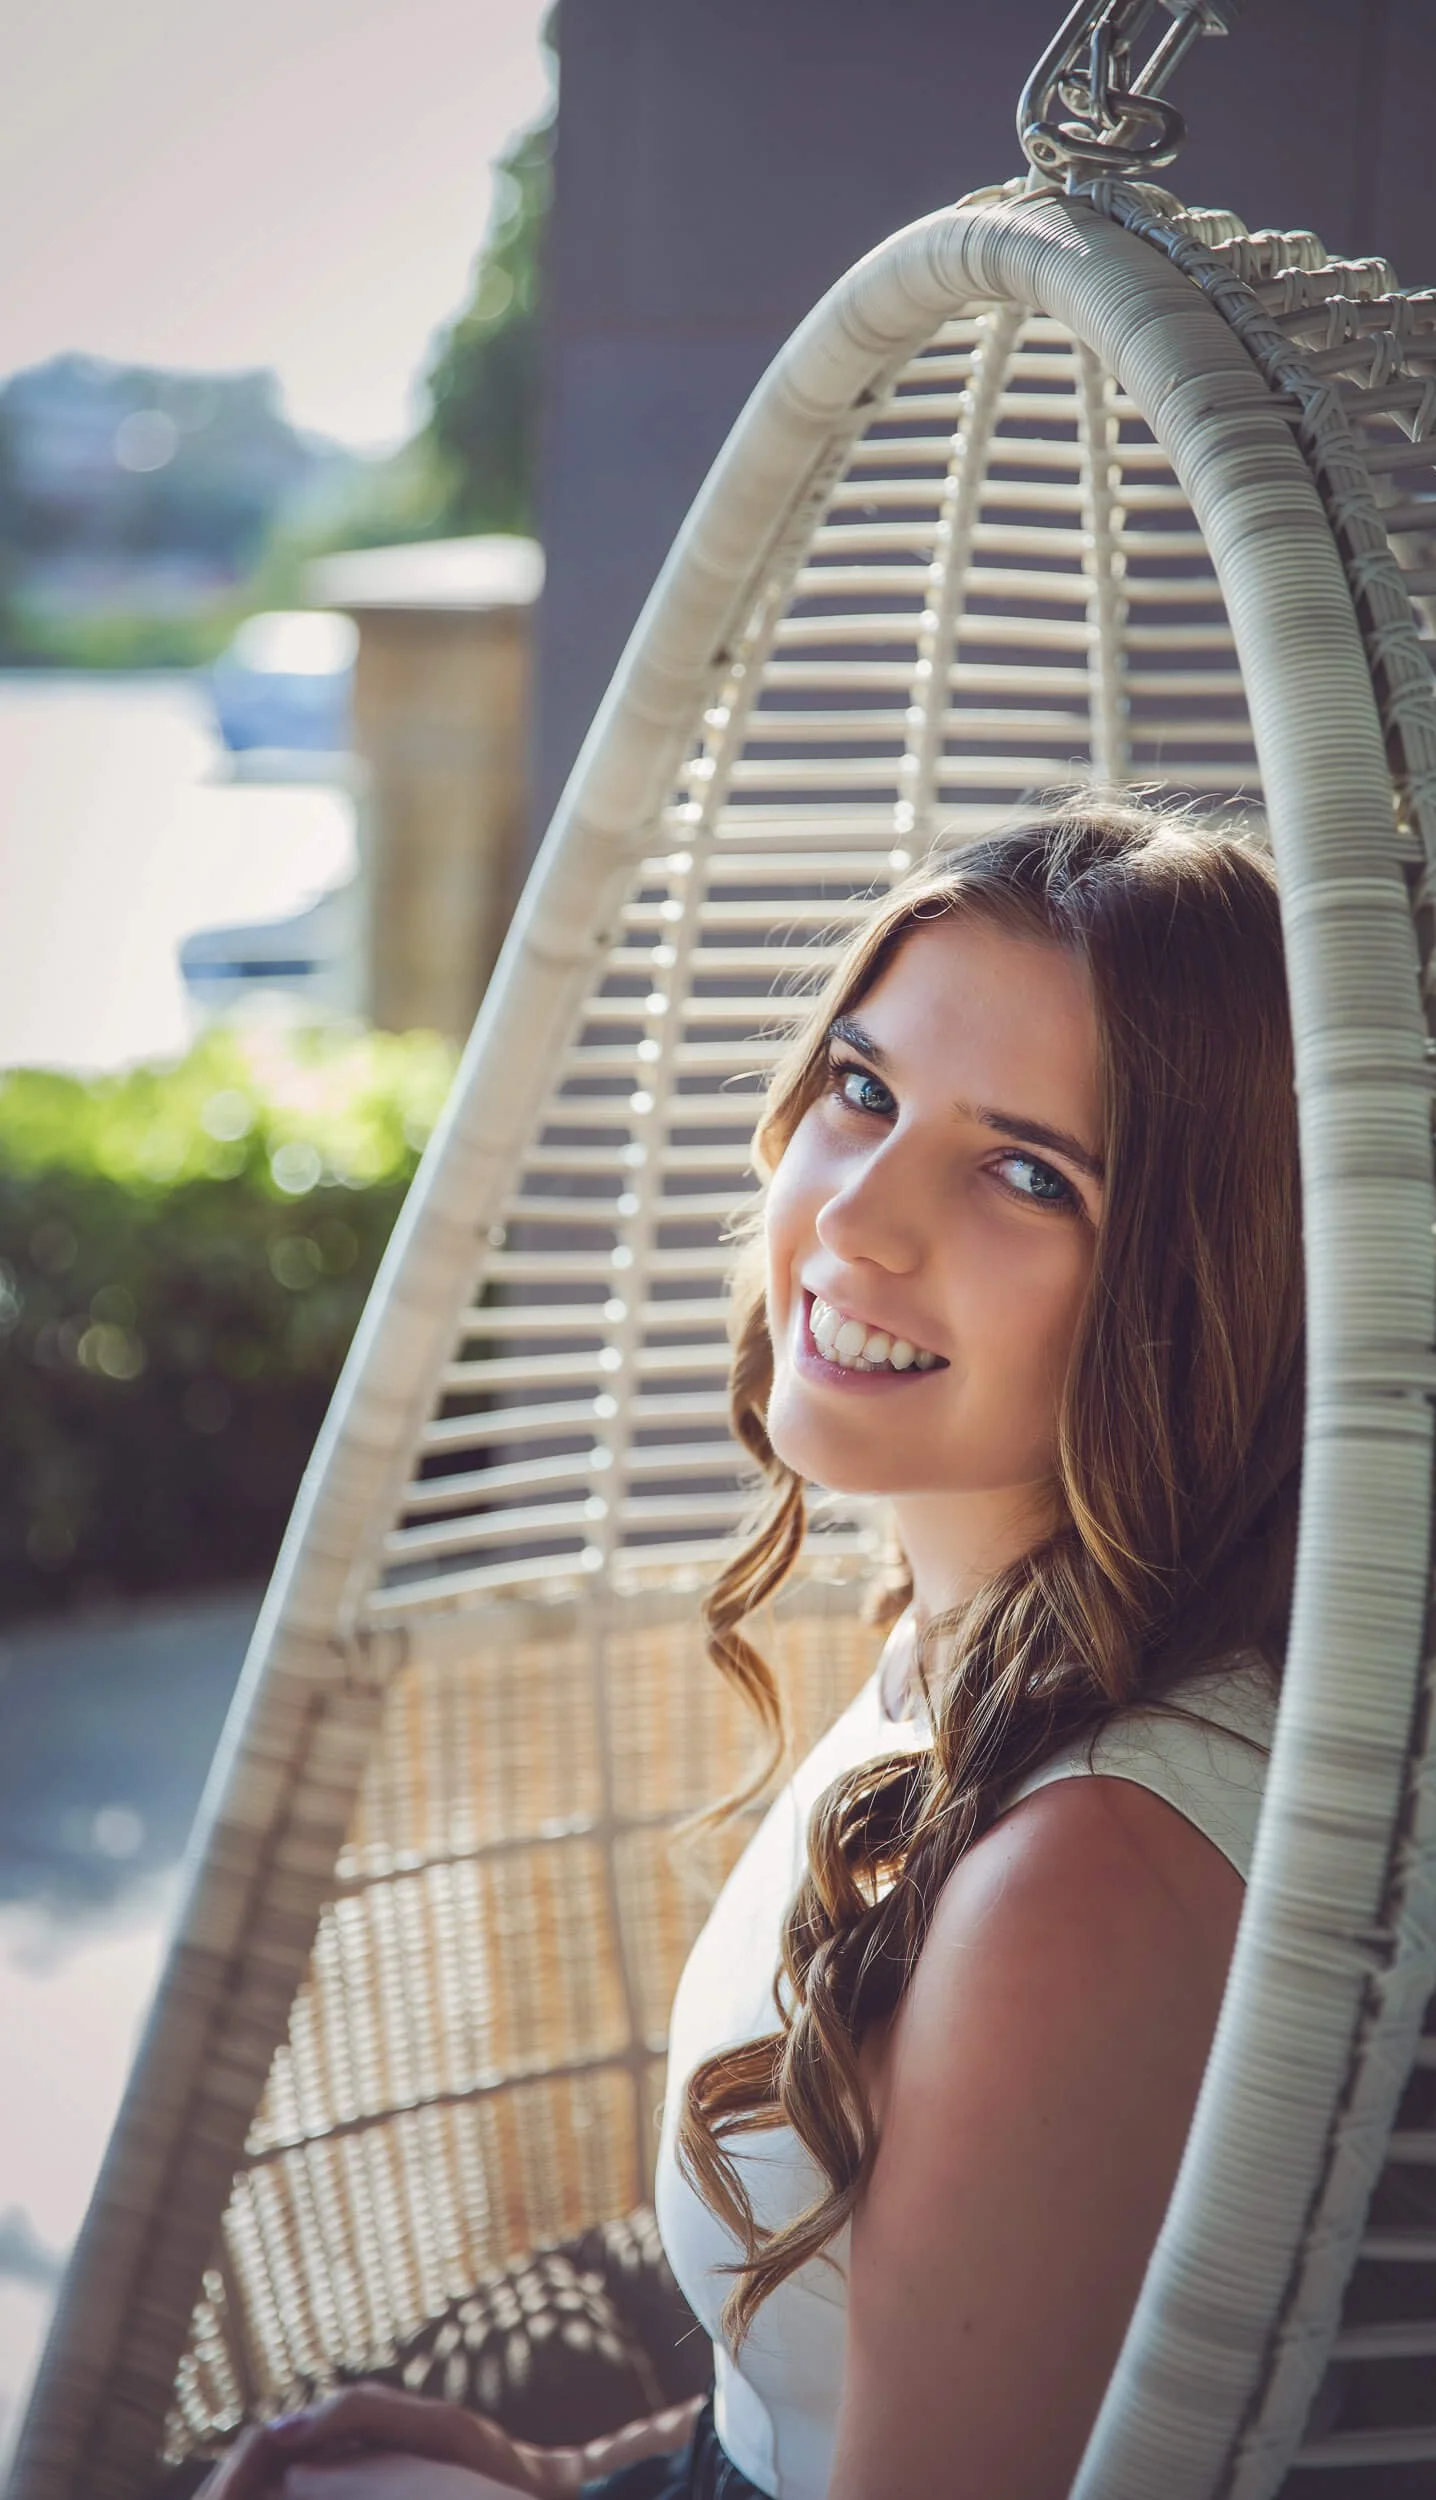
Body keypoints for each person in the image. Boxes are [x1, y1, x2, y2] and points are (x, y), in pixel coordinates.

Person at [202, 791, 1304, 2500]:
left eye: (1026, 1172)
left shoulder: (1084, 1884)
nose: (858, 1218)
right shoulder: (973, 1661)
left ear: (1188, 1284)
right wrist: (565, 2474)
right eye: (860, 1091)